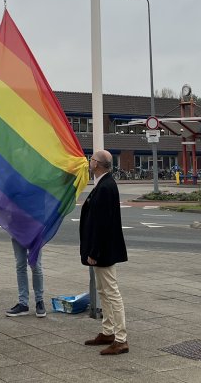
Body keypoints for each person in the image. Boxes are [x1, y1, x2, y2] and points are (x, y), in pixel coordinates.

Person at [79, 149, 128, 355]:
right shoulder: (102, 184)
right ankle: (108, 331)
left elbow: (103, 224)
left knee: (112, 292)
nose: (89, 161)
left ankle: (121, 338)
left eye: (91, 159)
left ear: (97, 164)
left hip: (104, 250)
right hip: (101, 249)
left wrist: (94, 251)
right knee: (103, 291)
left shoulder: (106, 187)